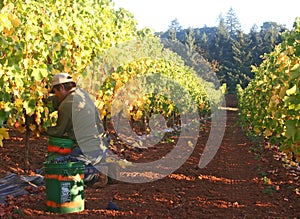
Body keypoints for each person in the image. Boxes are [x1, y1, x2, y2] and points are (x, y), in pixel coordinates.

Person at [46, 72, 110, 188]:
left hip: (86, 149)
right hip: (102, 145)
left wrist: (41, 129)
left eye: (55, 92)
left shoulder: (66, 105)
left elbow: (58, 132)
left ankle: (95, 175)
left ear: (61, 87)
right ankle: (103, 167)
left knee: (59, 169)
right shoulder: (83, 95)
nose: (55, 96)